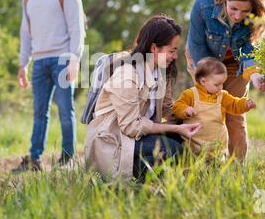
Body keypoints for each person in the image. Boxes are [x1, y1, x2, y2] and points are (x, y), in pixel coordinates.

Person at [85, 15, 201, 181]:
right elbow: (131, 127)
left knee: (180, 140)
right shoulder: (127, 76)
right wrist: (175, 129)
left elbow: (167, 108)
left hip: (138, 136)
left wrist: (195, 112)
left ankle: (169, 180)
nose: (175, 57)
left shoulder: (161, 72)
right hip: (116, 141)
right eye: (172, 51)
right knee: (171, 150)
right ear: (154, 48)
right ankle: (139, 184)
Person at [186, 0, 265, 161]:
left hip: (235, 62)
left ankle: (237, 168)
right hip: (202, 60)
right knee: (208, 111)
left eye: (244, 12)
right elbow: (196, 45)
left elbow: (250, 49)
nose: (237, 16)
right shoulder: (203, 4)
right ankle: (206, 163)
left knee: (235, 113)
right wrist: (208, 78)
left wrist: (254, 74)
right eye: (233, 9)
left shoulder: (254, 16)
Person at [14, 0, 85, 171]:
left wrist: (75, 57)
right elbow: (25, 32)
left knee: (66, 110)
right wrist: (23, 63)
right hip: (39, 62)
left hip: (63, 59)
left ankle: (68, 159)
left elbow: (77, 27)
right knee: (39, 112)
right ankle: (34, 160)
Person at [172, 57, 256, 161]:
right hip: (193, 147)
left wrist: (245, 104)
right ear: (203, 81)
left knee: (215, 172)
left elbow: (235, 105)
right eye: (217, 84)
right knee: (193, 171)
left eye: (222, 83)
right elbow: (176, 107)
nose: (221, 87)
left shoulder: (222, 96)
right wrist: (185, 109)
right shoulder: (190, 94)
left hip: (216, 149)